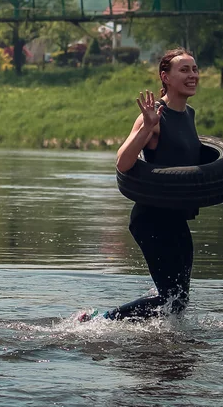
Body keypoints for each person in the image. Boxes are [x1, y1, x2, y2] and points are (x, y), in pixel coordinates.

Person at [80, 48, 201, 322]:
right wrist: (147, 127)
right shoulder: (155, 116)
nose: (192, 75)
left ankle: (154, 341)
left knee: (177, 299)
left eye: (194, 69)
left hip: (176, 219)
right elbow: (123, 162)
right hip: (151, 218)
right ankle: (99, 320)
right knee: (172, 298)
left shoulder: (189, 114)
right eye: (184, 70)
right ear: (165, 77)